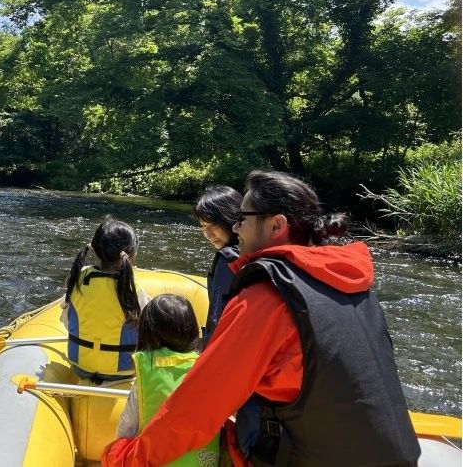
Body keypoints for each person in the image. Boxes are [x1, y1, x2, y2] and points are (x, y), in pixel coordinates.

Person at [103, 171, 421, 466]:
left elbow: (193, 413)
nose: (236, 227)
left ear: (276, 225)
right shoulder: (358, 289)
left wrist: (126, 457)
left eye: (243, 218)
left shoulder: (265, 298)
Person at [116, 294, 220, 467]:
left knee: (115, 452)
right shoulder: (208, 369)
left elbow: (125, 430)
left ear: (149, 335)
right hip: (204, 461)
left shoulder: (147, 370)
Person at [62, 218, 150, 381]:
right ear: (131, 253)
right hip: (124, 371)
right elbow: (148, 332)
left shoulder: (78, 280)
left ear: (95, 250)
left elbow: (67, 322)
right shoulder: (134, 288)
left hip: (81, 366)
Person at [192, 186, 242, 345]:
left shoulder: (227, 260)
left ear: (231, 220)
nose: (207, 234)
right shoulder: (256, 250)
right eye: (203, 226)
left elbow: (217, 317)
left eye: (213, 225)